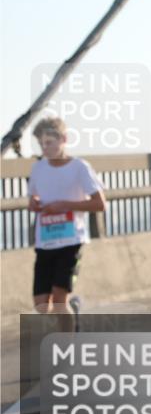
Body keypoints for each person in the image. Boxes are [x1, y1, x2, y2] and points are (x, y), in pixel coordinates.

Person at [27, 117, 105, 333]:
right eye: (41, 144)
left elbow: (99, 204)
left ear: (64, 139)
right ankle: (73, 310)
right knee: (42, 305)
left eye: (49, 143)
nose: (45, 148)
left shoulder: (80, 167)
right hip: (45, 241)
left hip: (71, 240)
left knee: (59, 299)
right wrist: (34, 204)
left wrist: (64, 205)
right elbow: (33, 196)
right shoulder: (38, 168)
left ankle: (67, 349)